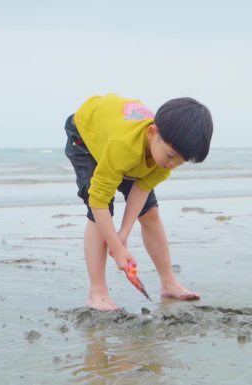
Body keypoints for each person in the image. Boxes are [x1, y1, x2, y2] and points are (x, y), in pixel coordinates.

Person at [64, 93, 213, 310]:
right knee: (100, 210)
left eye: (181, 161)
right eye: (171, 155)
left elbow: (141, 189)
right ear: (153, 133)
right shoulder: (122, 147)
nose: (172, 164)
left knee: (150, 212)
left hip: (126, 142)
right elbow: (98, 201)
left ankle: (169, 283)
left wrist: (123, 234)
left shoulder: (166, 159)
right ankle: (97, 292)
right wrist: (117, 247)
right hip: (85, 136)